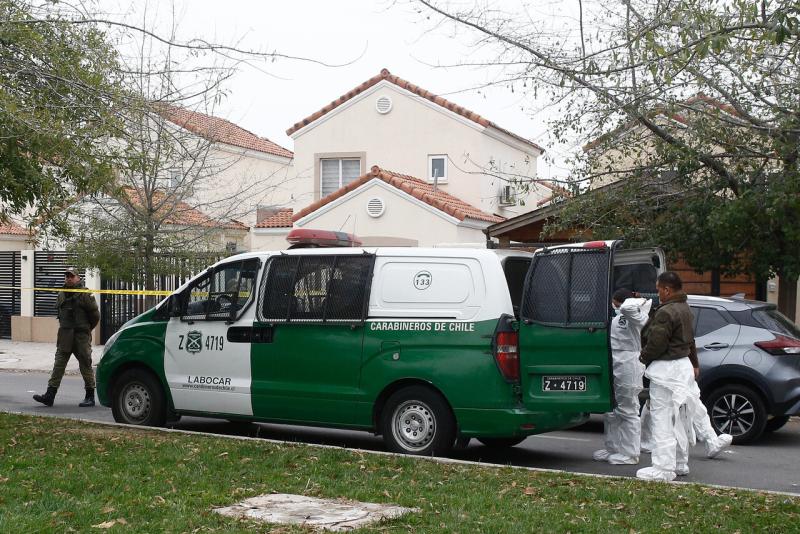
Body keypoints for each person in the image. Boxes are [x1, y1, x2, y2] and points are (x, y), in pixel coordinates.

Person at [636, 271, 703, 481]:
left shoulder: (666, 312)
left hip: (666, 369)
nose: (658, 294)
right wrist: (694, 363)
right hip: (681, 367)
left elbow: (657, 342)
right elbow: (691, 340)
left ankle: (663, 468)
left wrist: (643, 357)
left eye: (658, 290)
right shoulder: (685, 308)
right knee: (680, 417)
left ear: (667, 289)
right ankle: (680, 463)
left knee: (662, 418)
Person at [640, 341, 733, 459]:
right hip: (661, 366)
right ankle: (647, 442)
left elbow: (689, 339)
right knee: (657, 404)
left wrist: (694, 363)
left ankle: (711, 441)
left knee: (691, 401)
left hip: (675, 365)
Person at [593, 289, 651, 465]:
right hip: (613, 362)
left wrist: (636, 299)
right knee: (611, 410)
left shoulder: (637, 315)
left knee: (628, 409)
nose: (615, 307)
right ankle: (614, 448)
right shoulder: (616, 319)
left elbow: (628, 308)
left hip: (629, 363)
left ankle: (630, 453)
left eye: (616, 303)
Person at [33, 267, 100, 408]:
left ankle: (90, 396)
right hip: (65, 335)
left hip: (80, 335)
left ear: (78, 278)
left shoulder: (85, 294)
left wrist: (87, 330)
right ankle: (49, 396)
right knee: (58, 365)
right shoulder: (62, 293)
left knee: (85, 364)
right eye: (67, 276)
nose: (68, 278)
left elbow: (95, 316)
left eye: (71, 276)